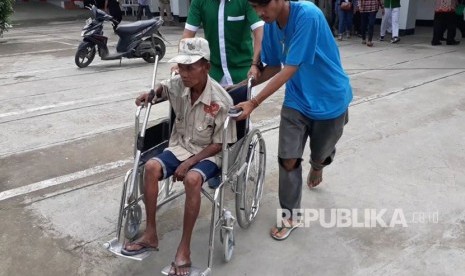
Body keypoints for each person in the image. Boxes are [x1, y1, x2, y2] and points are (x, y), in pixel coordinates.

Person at [235, 0, 352, 240]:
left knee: (320, 153)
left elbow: (290, 68)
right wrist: (239, 87)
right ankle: (290, 214)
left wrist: (254, 102)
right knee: (288, 159)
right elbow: (274, 67)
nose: (259, 13)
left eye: (263, 5)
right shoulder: (270, 25)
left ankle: (318, 165)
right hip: (297, 101)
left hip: (329, 100)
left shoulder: (307, 15)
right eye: (254, 7)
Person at [121, 37, 237, 276]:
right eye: (181, 67)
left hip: (208, 153)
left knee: (193, 180)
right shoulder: (179, 84)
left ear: (206, 66)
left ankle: (184, 249)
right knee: (151, 167)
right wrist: (151, 93)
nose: (184, 73)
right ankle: (151, 233)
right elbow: (164, 88)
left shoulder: (221, 101)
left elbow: (220, 144)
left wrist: (190, 163)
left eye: (190, 67)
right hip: (180, 145)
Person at [181, 0, 264, 86]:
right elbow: (188, 35)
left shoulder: (245, 1)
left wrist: (255, 64)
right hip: (214, 73)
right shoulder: (199, 2)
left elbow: (260, 32)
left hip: (243, 73)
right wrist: (181, 63)